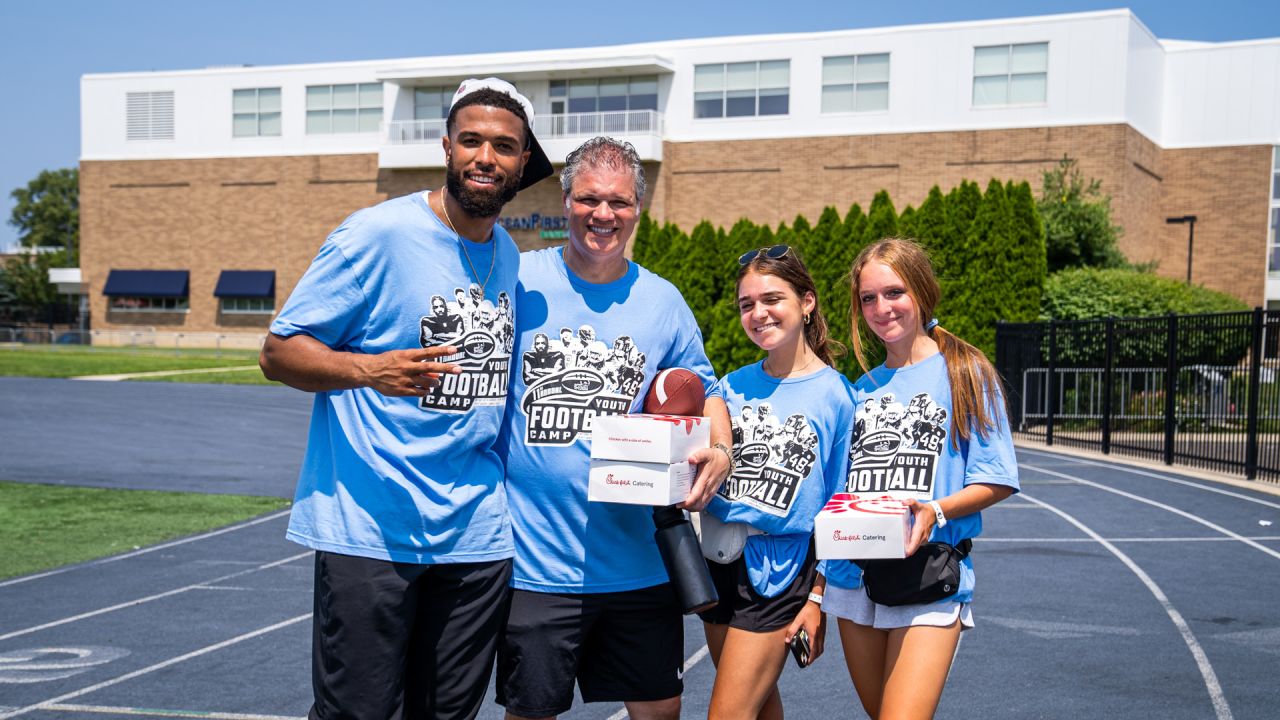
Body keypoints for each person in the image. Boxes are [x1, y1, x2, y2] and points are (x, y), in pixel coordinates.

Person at [258, 77, 554, 720]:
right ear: (446, 147)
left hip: (474, 536)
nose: (486, 157)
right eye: (471, 141)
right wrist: (369, 371)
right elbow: (278, 352)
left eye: (503, 147)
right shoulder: (376, 233)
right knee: (357, 713)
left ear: (523, 162)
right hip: (372, 528)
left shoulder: (506, 252)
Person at [495, 136, 733, 720]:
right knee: (531, 713)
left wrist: (721, 449)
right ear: (566, 199)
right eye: (590, 199)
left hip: (640, 563)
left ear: (636, 209)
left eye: (620, 203)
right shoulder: (517, 280)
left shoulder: (662, 300)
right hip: (535, 565)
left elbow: (706, 393)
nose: (604, 214)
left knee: (660, 712)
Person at [824, 237, 1020, 720]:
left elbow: (997, 478)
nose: (881, 308)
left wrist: (936, 510)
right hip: (854, 580)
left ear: (921, 292)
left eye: (893, 293)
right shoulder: (859, 389)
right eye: (868, 298)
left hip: (930, 575)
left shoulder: (966, 373)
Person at [699, 244, 855, 720]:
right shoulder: (730, 384)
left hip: (780, 572)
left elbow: (842, 504)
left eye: (772, 299)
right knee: (760, 706)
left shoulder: (838, 396)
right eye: (747, 305)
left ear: (806, 302)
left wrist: (818, 598)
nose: (758, 313)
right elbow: (701, 404)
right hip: (718, 560)